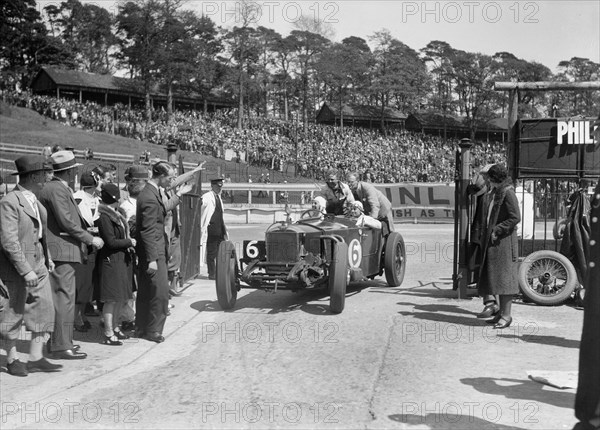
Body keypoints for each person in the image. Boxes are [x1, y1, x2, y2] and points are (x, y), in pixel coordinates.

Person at [38, 151, 104, 359]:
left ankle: (61, 340)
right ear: (70, 171)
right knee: (64, 298)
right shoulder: (56, 189)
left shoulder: (56, 187)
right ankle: (60, 344)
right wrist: (89, 238)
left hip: (63, 249)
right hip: (62, 249)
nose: (76, 171)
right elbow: (67, 221)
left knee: (65, 298)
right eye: (75, 168)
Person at [0, 156, 63, 376]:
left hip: (39, 264)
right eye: (45, 172)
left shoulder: (34, 201)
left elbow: (39, 235)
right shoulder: (10, 201)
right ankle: (12, 358)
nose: (48, 176)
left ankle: (36, 356)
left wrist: (48, 257)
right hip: (17, 267)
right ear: (35, 176)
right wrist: (25, 269)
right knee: (13, 312)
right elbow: (9, 241)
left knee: (44, 308)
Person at [135, 161, 189, 343]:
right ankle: (154, 330)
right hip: (154, 251)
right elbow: (148, 230)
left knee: (145, 291)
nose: (171, 181)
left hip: (151, 249)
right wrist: (152, 258)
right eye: (170, 178)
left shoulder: (151, 192)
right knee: (160, 293)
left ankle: (141, 327)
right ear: (160, 176)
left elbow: (160, 210)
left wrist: (178, 195)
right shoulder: (150, 197)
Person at [475, 164, 521, 329]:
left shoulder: (507, 193)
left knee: (505, 280)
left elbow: (515, 217)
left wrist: (498, 229)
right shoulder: (495, 192)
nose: (486, 180)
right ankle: (501, 313)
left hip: (504, 242)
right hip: (495, 242)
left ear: (494, 178)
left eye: (488, 177)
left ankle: (506, 316)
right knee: (498, 280)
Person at [97, 183, 136, 346]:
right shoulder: (105, 217)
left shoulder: (116, 213)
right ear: (114, 198)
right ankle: (108, 332)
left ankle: (116, 327)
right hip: (111, 261)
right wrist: (129, 241)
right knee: (111, 299)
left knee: (121, 297)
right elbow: (111, 242)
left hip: (121, 260)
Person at [467, 164, 499, 319]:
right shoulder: (487, 192)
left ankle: (492, 303)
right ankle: (491, 303)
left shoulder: (498, 193)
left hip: (492, 236)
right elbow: (473, 189)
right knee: (484, 268)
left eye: (487, 176)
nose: (485, 178)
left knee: (490, 270)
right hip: (483, 234)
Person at [72, 172, 100, 333]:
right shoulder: (77, 199)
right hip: (82, 244)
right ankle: (76, 317)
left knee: (88, 284)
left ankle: (81, 314)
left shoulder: (96, 200)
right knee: (81, 284)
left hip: (94, 245)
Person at [200, 177, 228, 280]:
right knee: (211, 253)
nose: (219, 188)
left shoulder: (218, 197)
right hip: (211, 230)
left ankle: (217, 272)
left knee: (220, 253)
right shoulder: (207, 197)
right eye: (217, 186)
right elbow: (200, 206)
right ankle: (212, 273)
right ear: (212, 186)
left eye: (221, 186)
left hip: (220, 230)